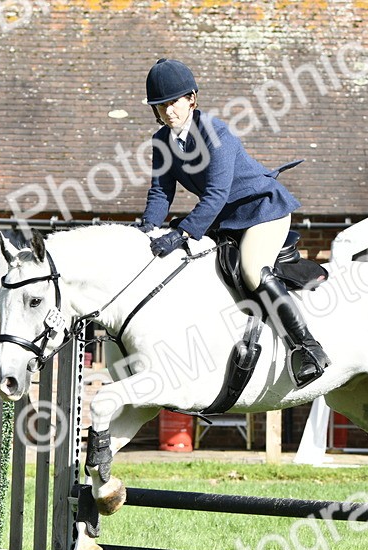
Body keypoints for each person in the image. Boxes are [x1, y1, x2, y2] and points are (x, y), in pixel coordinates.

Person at [137, 58, 330, 387]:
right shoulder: (161, 142)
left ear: (191, 100)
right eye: (160, 106)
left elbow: (215, 193)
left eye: (174, 103)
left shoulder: (215, 132)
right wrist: (146, 232)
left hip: (261, 210)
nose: (168, 111)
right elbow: (160, 193)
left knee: (252, 270)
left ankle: (307, 348)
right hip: (224, 220)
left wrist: (181, 232)